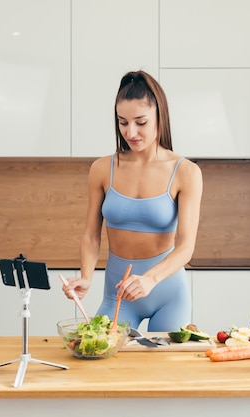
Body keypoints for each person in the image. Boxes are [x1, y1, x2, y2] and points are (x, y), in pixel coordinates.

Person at [62, 70, 203, 332]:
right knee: (102, 362)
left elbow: (185, 247)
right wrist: (86, 276)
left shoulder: (186, 172)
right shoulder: (102, 169)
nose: (131, 132)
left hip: (167, 292)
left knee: (164, 370)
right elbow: (92, 236)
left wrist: (150, 279)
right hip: (118, 294)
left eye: (140, 122)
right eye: (123, 122)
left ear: (159, 116)